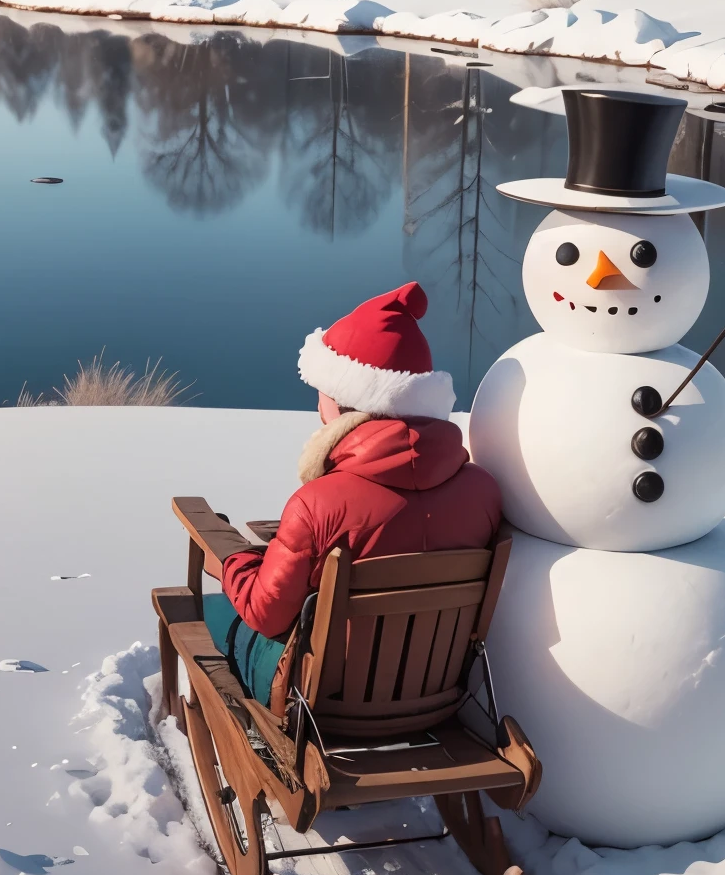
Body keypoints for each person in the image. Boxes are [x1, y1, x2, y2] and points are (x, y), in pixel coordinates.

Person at [204, 281, 503, 710]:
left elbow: (265, 613)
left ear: (347, 405)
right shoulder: (483, 491)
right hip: (436, 692)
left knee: (215, 611)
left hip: (327, 702)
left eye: (321, 394)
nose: (317, 408)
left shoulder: (318, 504)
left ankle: (228, 728)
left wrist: (234, 561)